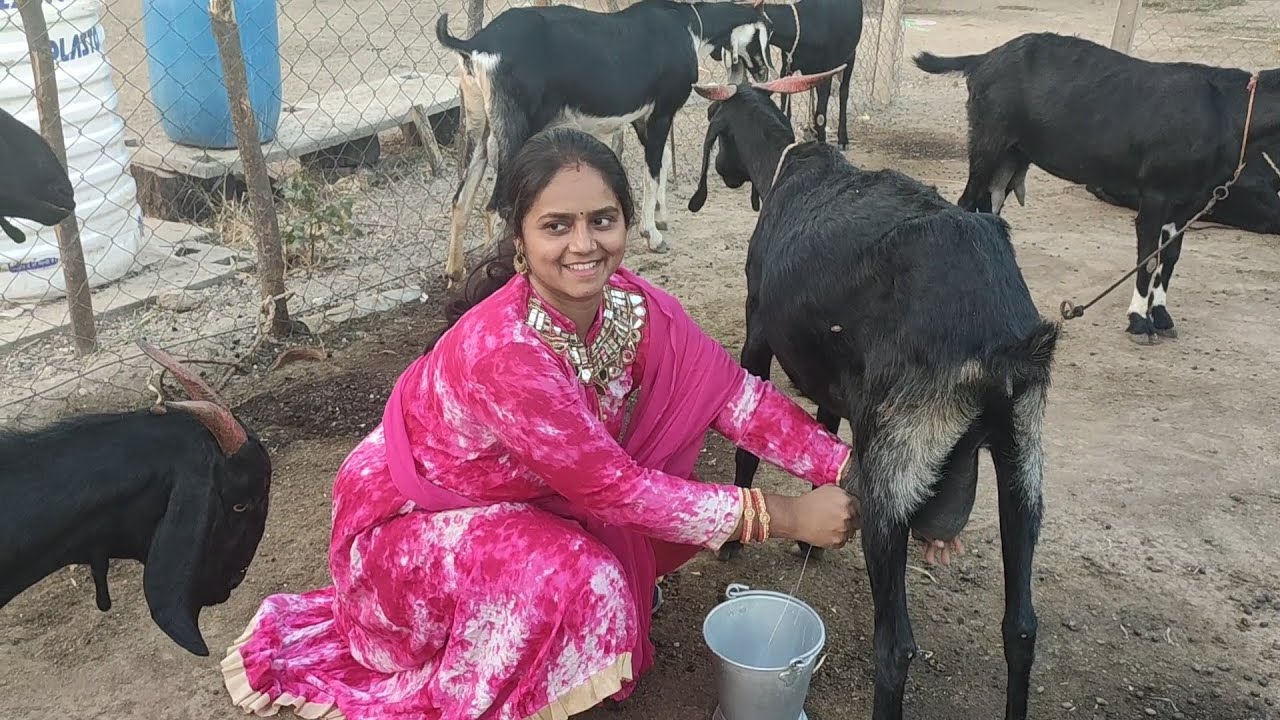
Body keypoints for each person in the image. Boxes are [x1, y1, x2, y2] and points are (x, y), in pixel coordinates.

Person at [220, 127, 861, 720]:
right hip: (407, 528)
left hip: (521, 497)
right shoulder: (506, 351)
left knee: (608, 550)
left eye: (601, 221)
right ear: (520, 238)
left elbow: (734, 399)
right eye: (557, 225)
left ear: (625, 225)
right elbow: (618, 490)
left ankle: (560, 640)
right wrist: (787, 515)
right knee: (586, 583)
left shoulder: (634, 308)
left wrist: (851, 470)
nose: (584, 245)